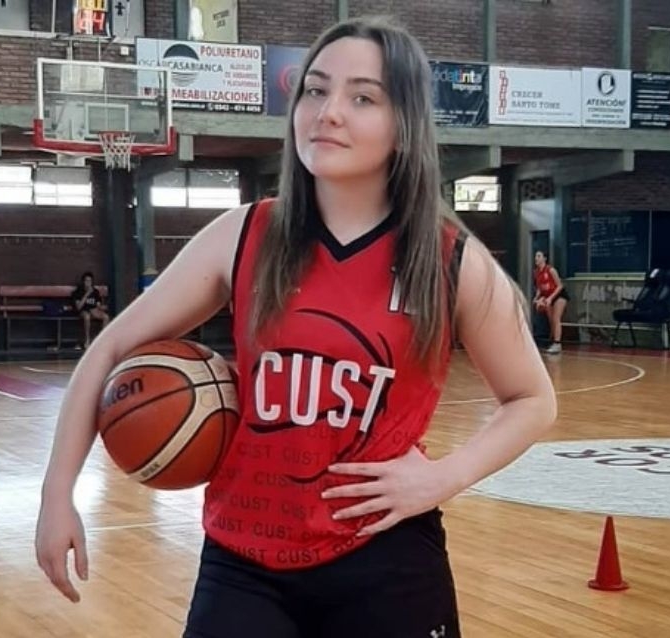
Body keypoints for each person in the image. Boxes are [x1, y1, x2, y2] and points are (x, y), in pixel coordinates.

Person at [35, 16, 557, 638]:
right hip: (245, 556)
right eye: (315, 90)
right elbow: (110, 348)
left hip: (384, 552)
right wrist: (56, 495)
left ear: (404, 125)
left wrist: (446, 476)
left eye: (362, 98)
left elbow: (533, 400)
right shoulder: (244, 235)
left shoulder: (450, 260)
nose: (328, 112)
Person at [532, 250, 568, 354]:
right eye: (536, 256)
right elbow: (540, 288)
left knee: (556, 318)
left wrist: (551, 298)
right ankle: (552, 341)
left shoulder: (551, 270)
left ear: (544, 258)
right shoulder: (536, 272)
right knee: (551, 320)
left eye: (539, 256)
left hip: (559, 295)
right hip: (547, 296)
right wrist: (536, 297)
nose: (536, 258)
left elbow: (560, 286)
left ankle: (557, 343)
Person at [70, 271, 110, 349]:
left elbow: (98, 305)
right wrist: (87, 294)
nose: (88, 283)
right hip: (83, 311)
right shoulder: (78, 292)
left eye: (90, 281)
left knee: (106, 317)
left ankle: (101, 340)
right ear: (83, 282)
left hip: (93, 310)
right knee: (87, 317)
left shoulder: (95, 291)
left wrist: (102, 308)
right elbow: (78, 307)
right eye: (86, 281)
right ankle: (87, 340)